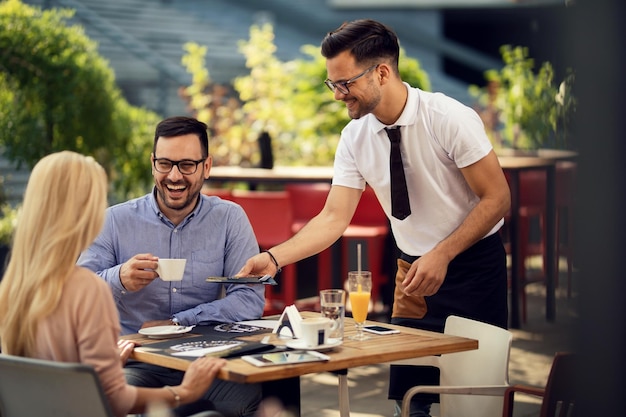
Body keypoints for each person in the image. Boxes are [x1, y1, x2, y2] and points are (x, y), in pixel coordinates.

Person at [238, 19, 511, 417]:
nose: (337, 95)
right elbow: (333, 217)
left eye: (344, 83)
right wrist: (274, 257)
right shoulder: (354, 138)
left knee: (472, 404)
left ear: (382, 72)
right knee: (412, 402)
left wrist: (444, 254)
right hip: (412, 277)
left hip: (473, 270)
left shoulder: (448, 117)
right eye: (332, 84)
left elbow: (498, 197)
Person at [0, 151, 226, 417]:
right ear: (85, 211)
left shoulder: (14, 287)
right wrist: (184, 392)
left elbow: (48, 377)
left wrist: (102, 368)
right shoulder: (87, 289)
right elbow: (115, 400)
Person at [77, 116, 266, 417]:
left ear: (206, 166)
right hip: (139, 360)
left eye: (187, 165)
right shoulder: (114, 220)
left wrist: (179, 321)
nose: (174, 176)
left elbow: (249, 299)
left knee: (244, 400)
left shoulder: (230, 219)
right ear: (152, 164)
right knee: (119, 402)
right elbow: (77, 290)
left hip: (206, 358)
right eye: (165, 164)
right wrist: (118, 278)